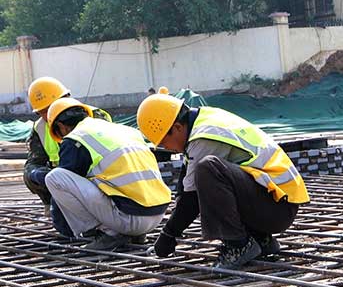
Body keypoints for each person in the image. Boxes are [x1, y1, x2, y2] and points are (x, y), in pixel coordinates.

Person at [136, 90, 310, 270]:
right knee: (208, 173)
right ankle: (260, 239)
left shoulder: (205, 137)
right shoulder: (202, 121)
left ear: (178, 128)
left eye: (164, 143)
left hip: (277, 208)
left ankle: (239, 245)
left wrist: (168, 234)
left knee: (208, 169)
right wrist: (170, 232)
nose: (167, 148)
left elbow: (191, 199)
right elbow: (185, 182)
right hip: (275, 202)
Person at [44, 98, 171, 250]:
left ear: (60, 126)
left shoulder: (75, 139)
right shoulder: (124, 130)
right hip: (157, 216)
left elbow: (67, 183)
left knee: (54, 177)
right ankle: (134, 234)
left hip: (128, 220)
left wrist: (63, 228)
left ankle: (108, 233)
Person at [24, 77, 111, 214]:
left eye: (51, 108)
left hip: (97, 176)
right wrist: (37, 173)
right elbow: (34, 162)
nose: (48, 115)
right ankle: (55, 206)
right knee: (30, 176)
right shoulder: (40, 128)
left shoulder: (93, 116)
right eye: (43, 112)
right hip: (63, 178)